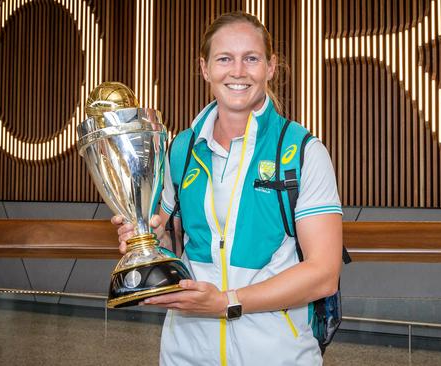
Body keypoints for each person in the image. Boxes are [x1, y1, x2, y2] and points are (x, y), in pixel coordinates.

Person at [111, 11, 343, 365]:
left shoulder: (302, 151)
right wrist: (146, 236)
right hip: (186, 352)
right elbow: (176, 246)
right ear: (205, 68)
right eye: (224, 59)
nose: (237, 71)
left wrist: (227, 301)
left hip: (277, 356)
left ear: (271, 67)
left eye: (251, 58)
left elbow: (324, 274)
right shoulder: (182, 149)